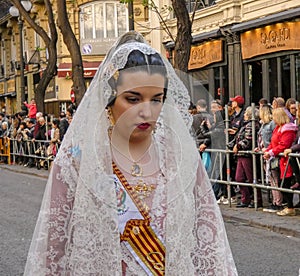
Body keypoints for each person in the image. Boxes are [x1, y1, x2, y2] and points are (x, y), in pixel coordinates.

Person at [24, 31, 237, 275]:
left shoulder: (179, 157)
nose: (146, 111)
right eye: (133, 99)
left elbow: (210, 245)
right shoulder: (77, 162)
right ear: (109, 98)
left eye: (156, 99)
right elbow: (53, 253)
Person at [263, 108, 297, 216]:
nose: (273, 118)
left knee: (286, 183)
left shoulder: (288, 129)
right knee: (283, 183)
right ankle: (289, 206)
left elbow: (284, 145)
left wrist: (271, 152)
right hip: (281, 160)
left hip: (287, 160)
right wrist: (267, 150)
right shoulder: (278, 128)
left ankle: (290, 207)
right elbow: (273, 143)